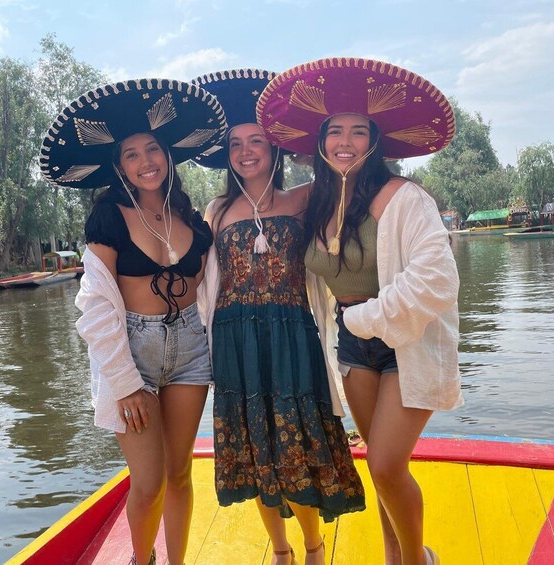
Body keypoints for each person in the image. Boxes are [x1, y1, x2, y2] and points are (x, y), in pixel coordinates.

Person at [259, 57, 463, 565]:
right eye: (334, 132)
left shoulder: (404, 198)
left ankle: (416, 560)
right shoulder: (319, 204)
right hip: (352, 347)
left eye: (357, 131)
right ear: (320, 141)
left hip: (405, 343)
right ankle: (394, 556)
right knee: (377, 466)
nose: (344, 141)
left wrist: (361, 318)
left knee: (390, 465)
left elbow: (438, 280)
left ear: (373, 140)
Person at [40, 78, 226, 565]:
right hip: (133, 354)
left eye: (153, 149)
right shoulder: (109, 217)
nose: (146, 162)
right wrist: (123, 383)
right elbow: (96, 307)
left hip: (190, 348)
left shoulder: (193, 221)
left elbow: (214, 291)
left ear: (167, 155)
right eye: (131, 155)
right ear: (118, 166)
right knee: (148, 482)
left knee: (181, 471)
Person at [194, 69, 365, 565]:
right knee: (255, 450)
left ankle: (313, 548)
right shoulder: (217, 209)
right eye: (236, 145)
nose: (246, 152)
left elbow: (350, 197)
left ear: (276, 149)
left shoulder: (305, 198)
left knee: (297, 448)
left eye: (258, 141)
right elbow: (199, 279)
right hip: (234, 343)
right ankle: (282, 551)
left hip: (292, 336)